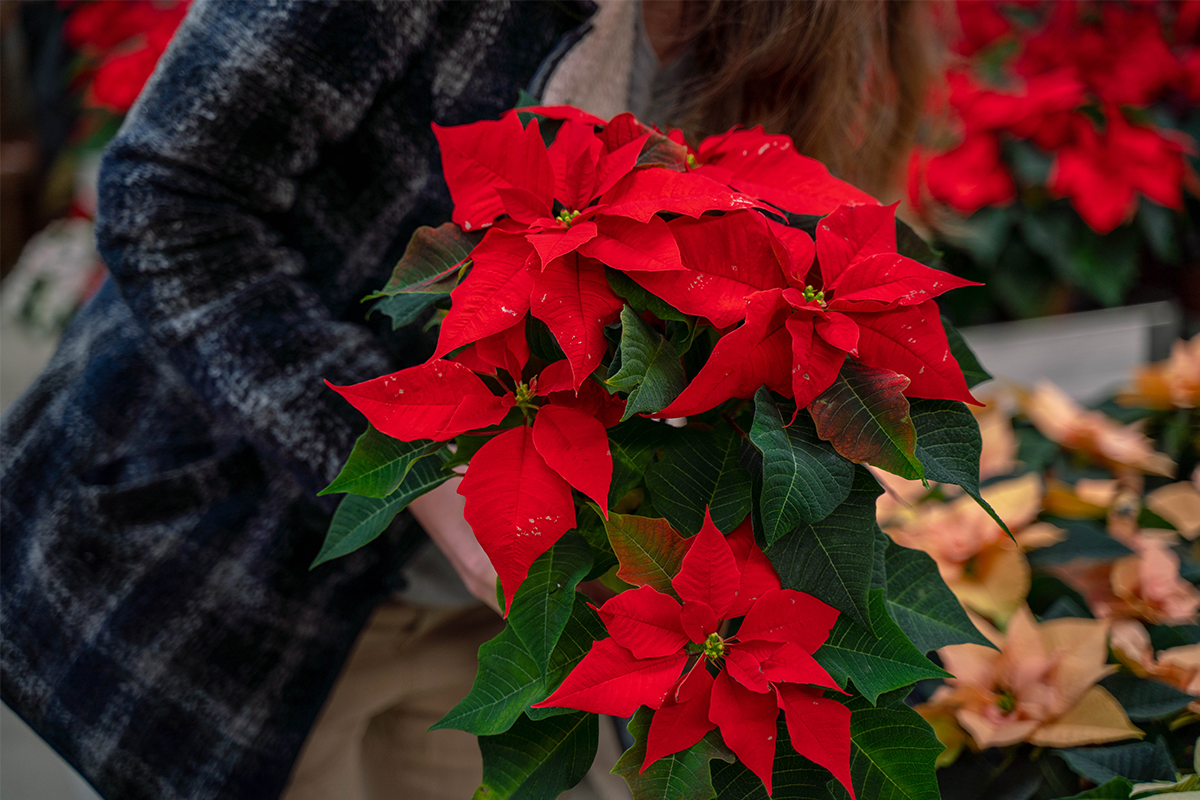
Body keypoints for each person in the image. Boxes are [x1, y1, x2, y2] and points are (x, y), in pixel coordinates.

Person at [0, 2, 935, 799]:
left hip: (498, 627)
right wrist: (429, 485)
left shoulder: (796, 24)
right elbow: (165, 194)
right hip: (229, 572)